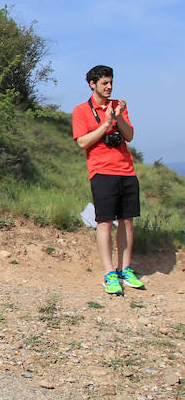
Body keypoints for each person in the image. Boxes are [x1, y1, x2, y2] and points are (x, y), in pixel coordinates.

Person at [72, 65, 144, 296]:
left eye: (111, 82)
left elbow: (130, 136)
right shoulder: (81, 110)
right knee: (104, 221)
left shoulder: (118, 106)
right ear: (92, 84)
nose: (109, 86)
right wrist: (104, 125)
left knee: (127, 221)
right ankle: (109, 273)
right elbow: (82, 142)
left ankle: (125, 269)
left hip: (126, 170)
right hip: (101, 171)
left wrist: (118, 117)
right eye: (104, 82)